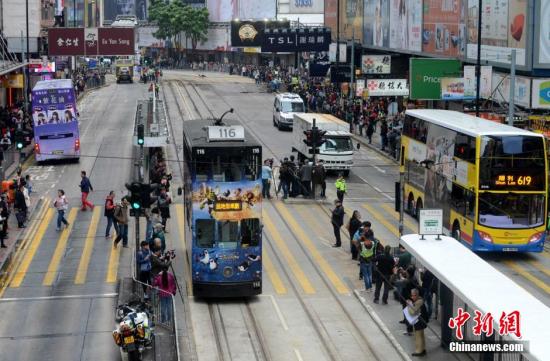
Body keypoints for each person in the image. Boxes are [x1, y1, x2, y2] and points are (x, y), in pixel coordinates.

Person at [406, 288, 428, 357]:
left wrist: (409, 305)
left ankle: (419, 351)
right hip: (422, 321)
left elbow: (412, 312)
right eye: (412, 295)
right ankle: (423, 348)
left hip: (419, 321)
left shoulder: (419, 302)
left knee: (418, 336)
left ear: (417, 295)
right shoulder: (420, 300)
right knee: (421, 335)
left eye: (414, 295)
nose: (412, 297)